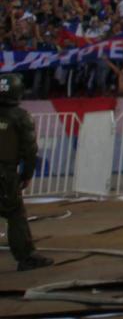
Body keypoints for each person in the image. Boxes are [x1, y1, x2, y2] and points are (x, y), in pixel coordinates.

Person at [0, 73, 53, 270]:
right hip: (5, 174)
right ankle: (26, 257)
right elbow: (30, 151)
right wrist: (27, 175)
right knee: (15, 214)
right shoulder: (21, 117)